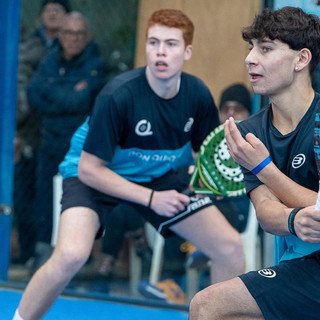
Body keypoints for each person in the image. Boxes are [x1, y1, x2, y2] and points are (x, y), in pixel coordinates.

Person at [12, 9, 245, 320]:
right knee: (70, 254)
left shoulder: (198, 95)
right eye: (153, 42)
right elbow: (88, 169)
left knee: (229, 247)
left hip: (159, 177)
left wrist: (201, 181)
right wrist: (151, 198)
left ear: (187, 51)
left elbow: (202, 156)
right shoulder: (118, 95)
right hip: (96, 176)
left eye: (171, 44)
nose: (161, 51)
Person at [189, 6, 320, 320]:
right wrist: (292, 220)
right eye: (251, 49)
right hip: (301, 267)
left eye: (266, 49)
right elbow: (265, 211)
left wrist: (264, 168)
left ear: (302, 59)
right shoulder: (250, 132)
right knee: (217, 310)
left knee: (208, 307)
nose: (250, 59)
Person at [27, 11, 107, 271]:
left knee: (76, 199)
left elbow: (80, 102)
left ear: (88, 37)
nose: (73, 38)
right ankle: (42, 253)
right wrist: (66, 95)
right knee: (43, 199)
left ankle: (76, 257)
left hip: (80, 147)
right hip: (49, 142)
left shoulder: (96, 63)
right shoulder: (49, 60)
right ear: (60, 35)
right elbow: (33, 94)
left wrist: (55, 95)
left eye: (79, 33)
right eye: (68, 33)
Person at [13, 0, 70, 265]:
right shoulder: (30, 45)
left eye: (58, 9)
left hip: (58, 134)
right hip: (27, 132)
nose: (53, 14)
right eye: (48, 9)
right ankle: (26, 252)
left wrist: (52, 97)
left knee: (50, 197)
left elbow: (73, 95)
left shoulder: (71, 47)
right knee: (24, 198)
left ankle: (48, 253)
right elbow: (27, 87)